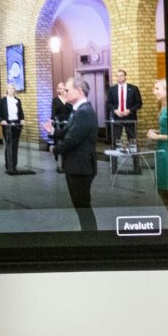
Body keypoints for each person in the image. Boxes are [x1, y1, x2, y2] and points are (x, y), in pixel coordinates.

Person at [57, 80, 100, 228]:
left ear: (80, 91)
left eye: (67, 90)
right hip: (76, 166)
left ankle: (90, 235)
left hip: (80, 167)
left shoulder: (83, 112)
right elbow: (67, 131)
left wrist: (56, 149)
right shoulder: (77, 110)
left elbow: (72, 139)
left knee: (82, 205)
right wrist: (52, 131)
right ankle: (88, 233)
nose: (64, 93)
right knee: (80, 205)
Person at [107, 66, 143, 152]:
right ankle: (114, 160)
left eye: (121, 75)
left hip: (130, 118)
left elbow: (139, 103)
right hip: (117, 118)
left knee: (132, 140)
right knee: (116, 140)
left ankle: (135, 160)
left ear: (125, 77)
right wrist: (115, 110)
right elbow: (108, 103)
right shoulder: (112, 89)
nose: (119, 77)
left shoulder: (133, 88)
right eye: (117, 76)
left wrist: (130, 110)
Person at [0, 83, 26, 173]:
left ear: (14, 90)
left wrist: (22, 119)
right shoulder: (3, 101)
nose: (10, 90)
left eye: (12, 88)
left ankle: (14, 165)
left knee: (15, 145)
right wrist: (2, 120)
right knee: (9, 145)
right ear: (6, 90)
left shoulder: (18, 100)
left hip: (16, 124)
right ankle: (8, 165)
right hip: (7, 125)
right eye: (9, 88)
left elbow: (21, 113)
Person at [49, 81, 72, 168]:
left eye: (62, 88)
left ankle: (67, 161)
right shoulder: (55, 100)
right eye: (59, 88)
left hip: (68, 122)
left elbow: (72, 110)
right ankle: (58, 163)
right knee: (58, 142)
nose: (60, 89)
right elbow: (53, 112)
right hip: (58, 123)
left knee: (67, 141)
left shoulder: (69, 98)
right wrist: (52, 120)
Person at [154, 79, 168, 192]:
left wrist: (157, 137)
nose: (154, 92)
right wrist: (157, 132)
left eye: (157, 89)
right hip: (161, 150)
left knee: (166, 189)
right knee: (162, 189)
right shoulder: (163, 107)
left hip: (167, 151)